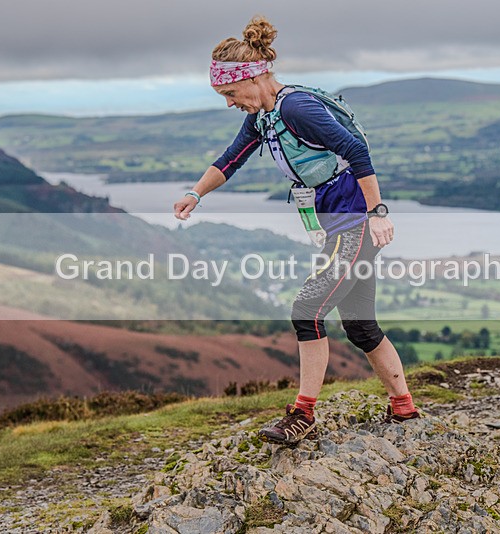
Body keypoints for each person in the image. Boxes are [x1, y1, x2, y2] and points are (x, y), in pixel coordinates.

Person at [173, 15, 420, 445]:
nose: (230, 103)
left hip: (355, 223)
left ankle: (302, 414)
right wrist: (196, 194)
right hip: (339, 225)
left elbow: (355, 150)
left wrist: (378, 211)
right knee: (360, 326)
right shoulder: (265, 117)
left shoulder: (295, 108)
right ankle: (404, 408)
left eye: (231, 93)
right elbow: (231, 158)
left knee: (307, 311)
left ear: (254, 78)